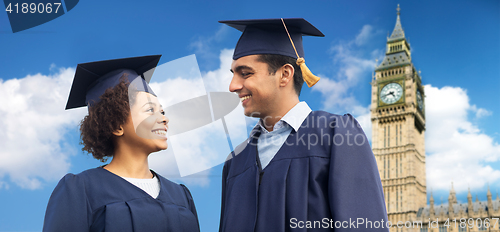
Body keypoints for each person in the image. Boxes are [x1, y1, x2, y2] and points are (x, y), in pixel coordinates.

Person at [218, 18, 389, 231]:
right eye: (233, 74)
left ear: (285, 74)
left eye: (245, 73)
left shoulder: (336, 135)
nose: (233, 85)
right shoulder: (235, 163)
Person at [42, 55, 200, 232]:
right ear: (116, 125)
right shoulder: (81, 190)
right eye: (150, 110)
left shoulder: (181, 196)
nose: (164, 119)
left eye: (162, 111)